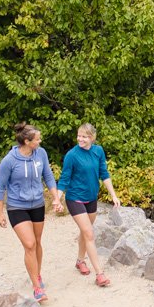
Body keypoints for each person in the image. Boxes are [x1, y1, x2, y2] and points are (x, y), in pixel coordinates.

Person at [0, 122, 61, 302]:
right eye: (37, 139)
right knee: (29, 244)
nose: (40, 141)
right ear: (26, 141)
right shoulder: (10, 160)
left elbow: (48, 176)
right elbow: (0, 187)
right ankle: (37, 288)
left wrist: (55, 197)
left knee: (38, 242)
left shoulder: (41, 153)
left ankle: (37, 274)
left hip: (37, 204)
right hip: (17, 206)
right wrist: (0, 213)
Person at [55, 123, 121, 287]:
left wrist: (113, 195)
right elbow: (64, 179)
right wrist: (57, 199)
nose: (80, 139)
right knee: (89, 234)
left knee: (85, 233)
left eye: (84, 136)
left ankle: (80, 261)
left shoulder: (98, 151)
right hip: (75, 198)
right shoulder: (72, 155)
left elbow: (104, 174)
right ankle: (100, 274)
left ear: (92, 138)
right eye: (79, 135)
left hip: (91, 198)